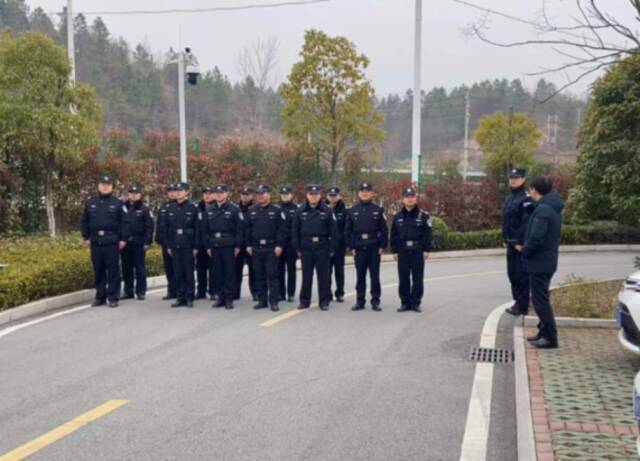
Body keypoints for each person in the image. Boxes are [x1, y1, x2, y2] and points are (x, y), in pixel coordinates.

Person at [523, 176, 564, 349]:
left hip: (540, 262)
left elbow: (536, 238)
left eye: (530, 190)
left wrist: (525, 251)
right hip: (546, 261)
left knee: (540, 301)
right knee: (541, 298)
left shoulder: (543, 210)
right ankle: (543, 331)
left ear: (534, 189)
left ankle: (550, 336)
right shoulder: (550, 207)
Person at [80, 176, 128, 308]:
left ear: (112, 187)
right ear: (98, 186)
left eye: (108, 184)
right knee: (98, 269)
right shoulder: (90, 202)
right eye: (102, 184)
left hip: (112, 241)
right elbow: (84, 221)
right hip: (95, 241)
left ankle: (113, 297)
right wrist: (86, 237)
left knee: (113, 270)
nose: (105, 186)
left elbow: (125, 222)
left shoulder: (118, 203)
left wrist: (123, 239)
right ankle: (100, 296)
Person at [345, 182, 388, 311]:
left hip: (374, 248)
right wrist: (351, 247)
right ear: (359, 193)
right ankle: (360, 301)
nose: (365, 193)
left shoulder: (378, 210)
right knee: (360, 276)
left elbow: (384, 230)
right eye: (362, 191)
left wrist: (382, 246)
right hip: (359, 249)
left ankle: (375, 301)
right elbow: (348, 231)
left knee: (375, 276)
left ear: (372, 193)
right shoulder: (353, 211)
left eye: (367, 191)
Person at [292, 185, 336, 311]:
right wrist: (298, 248)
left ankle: (324, 302)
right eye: (311, 194)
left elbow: (333, 231)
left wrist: (332, 248)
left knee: (323, 276)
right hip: (306, 247)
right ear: (307, 195)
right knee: (306, 276)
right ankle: (304, 301)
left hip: (322, 247)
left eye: (316, 194)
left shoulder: (327, 210)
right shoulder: (300, 210)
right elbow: (295, 230)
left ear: (320, 195)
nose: (313, 196)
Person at [201, 184, 244, 310]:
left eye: (221, 192)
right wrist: (207, 246)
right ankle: (220, 297)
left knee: (229, 273)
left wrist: (237, 246)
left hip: (229, 245)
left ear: (226, 194)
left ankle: (229, 298)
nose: (218, 195)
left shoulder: (234, 209)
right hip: (214, 245)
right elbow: (205, 230)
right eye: (216, 193)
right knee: (217, 273)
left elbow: (240, 229)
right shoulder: (209, 210)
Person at [390, 187, 433, 313]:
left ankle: (415, 303)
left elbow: (428, 234)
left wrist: (426, 250)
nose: (410, 199)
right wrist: (394, 251)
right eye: (407, 197)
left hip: (417, 250)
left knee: (417, 278)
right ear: (403, 199)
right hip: (402, 251)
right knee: (403, 278)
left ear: (416, 198)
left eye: (412, 196)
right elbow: (394, 235)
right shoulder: (397, 217)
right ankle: (405, 302)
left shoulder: (423, 216)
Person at [245, 184, 286, 312]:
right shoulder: (252, 210)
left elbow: (281, 230)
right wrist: (248, 245)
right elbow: (248, 229)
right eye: (258, 194)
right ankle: (262, 300)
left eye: (263, 193)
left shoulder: (277, 210)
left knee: (272, 275)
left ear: (269, 194)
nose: (260, 196)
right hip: (256, 247)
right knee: (259, 275)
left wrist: (279, 245)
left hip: (271, 248)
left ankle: (273, 301)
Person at [503, 167, 534, 316]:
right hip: (510, 242)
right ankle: (517, 302)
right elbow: (506, 220)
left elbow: (526, 222)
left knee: (521, 275)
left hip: (519, 245)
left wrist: (520, 242)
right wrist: (504, 238)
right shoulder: (510, 197)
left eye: (516, 178)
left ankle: (522, 304)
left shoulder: (526, 198)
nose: (513, 180)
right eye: (511, 177)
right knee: (512, 274)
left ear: (523, 179)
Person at [162, 182, 199, 308]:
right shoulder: (170, 209)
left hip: (188, 246)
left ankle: (189, 297)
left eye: (181, 190)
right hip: (174, 245)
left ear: (187, 192)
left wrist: (195, 247)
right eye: (176, 190)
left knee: (188, 272)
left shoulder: (193, 209)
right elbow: (167, 229)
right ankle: (180, 297)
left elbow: (198, 229)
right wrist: (168, 245)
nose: (178, 192)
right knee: (177, 273)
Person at [121, 185, 154, 301]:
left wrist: (147, 242)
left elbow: (149, 226)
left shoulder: (144, 208)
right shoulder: (122, 207)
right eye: (131, 193)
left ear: (140, 195)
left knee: (140, 268)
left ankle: (141, 291)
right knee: (126, 268)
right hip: (125, 243)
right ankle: (128, 291)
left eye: (136, 193)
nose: (133, 195)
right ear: (128, 194)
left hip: (139, 242)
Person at [235, 186, 258, 301]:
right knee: (236, 269)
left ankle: (255, 292)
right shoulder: (235, 208)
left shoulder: (255, 208)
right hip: (238, 245)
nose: (245, 196)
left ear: (251, 196)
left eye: (247, 194)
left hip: (251, 244)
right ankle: (235, 292)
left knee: (253, 270)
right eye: (243, 194)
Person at [156, 184, 177, 300]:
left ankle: (181, 290)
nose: (172, 193)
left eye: (174, 191)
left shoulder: (181, 206)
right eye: (170, 191)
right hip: (165, 242)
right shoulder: (163, 207)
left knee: (178, 268)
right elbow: (159, 224)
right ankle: (171, 290)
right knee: (168, 268)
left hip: (178, 242)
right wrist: (158, 239)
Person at [278, 186, 298, 302]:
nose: (285, 195)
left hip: (291, 244)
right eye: (283, 194)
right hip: (279, 244)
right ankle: (281, 293)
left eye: (287, 194)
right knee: (279, 269)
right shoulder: (277, 208)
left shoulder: (296, 209)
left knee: (291, 269)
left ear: (291, 195)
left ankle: (291, 293)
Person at [327, 186, 347, 303]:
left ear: (339, 196)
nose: (332, 198)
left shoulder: (344, 211)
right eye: (330, 195)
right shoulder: (323, 209)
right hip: (326, 245)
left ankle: (340, 293)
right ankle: (327, 293)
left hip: (339, 246)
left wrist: (342, 241)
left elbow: (346, 229)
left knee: (339, 271)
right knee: (326, 271)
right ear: (327, 196)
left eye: (335, 195)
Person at [196, 187, 216, 300]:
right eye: (205, 194)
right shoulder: (197, 208)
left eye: (210, 193)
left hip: (212, 243)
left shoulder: (216, 207)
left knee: (213, 269)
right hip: (200, 244)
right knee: (200, 269)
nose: (207, 196)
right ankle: (201, 291)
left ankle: (213, 291)